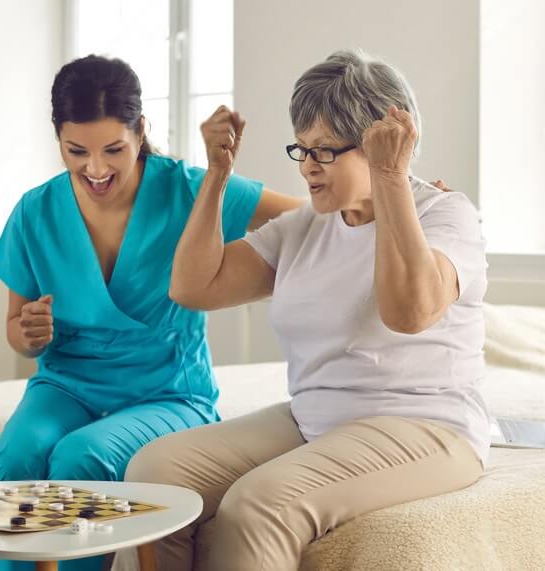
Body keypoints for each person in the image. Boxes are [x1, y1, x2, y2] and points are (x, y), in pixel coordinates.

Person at [124, 50, 490, 570]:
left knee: (258, 504)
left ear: (382, 143)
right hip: (315, 419)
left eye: (325, 152)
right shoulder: (307, 225)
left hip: (427, 425)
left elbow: (410, 311)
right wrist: (217, 176)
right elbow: (194, 287)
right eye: (303, 149)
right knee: (154, 473)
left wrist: (391, 179)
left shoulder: (446, 214)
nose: (309, 168)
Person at [0, 54, 303, 571]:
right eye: (76, 151)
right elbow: (16, 335)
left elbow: (311, 217)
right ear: (58, 139)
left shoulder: (188, 189)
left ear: (141, 131)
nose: (96, 169)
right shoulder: (35, 210)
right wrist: (28, 335)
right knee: (21, 452)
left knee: (80, 457)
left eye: (114, 149)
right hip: (66, 385)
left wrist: (406, 198)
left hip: (168, 393)